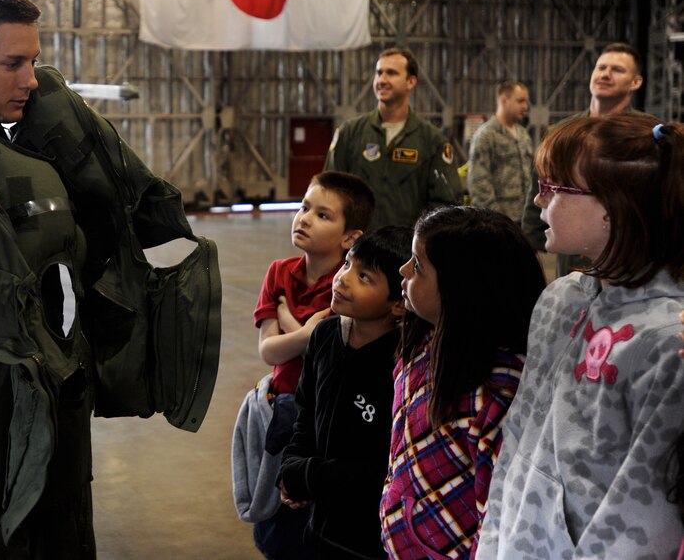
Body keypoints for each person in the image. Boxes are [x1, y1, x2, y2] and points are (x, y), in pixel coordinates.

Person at [0, 0, 219, 559]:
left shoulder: (33, 157)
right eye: (13, 63)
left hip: (55, 395)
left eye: (34, 61)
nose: (31, 79)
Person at [476, 113, 684, 559]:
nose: (538, 199)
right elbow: (518, 444)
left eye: (554, 189)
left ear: (615, 207)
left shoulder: (667, 342)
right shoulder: (560, 299)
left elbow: (643, 514)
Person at [379, 205, 545, 559]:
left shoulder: (497, 397)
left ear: (462, 288)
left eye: (418, 266)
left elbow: (497, 517)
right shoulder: (423, 344)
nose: (403, 270)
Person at [241, 171, 374, 559]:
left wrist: (289, 325)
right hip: (281, 408)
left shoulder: (348, 284)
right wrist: (305, 332)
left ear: (351, 237)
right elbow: (268, 352)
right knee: (275, 521)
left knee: (315, 518)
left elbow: (330, 353)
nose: (303, 218)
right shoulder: (280, 272)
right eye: (303, 207)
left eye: (323, 215)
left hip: (325, 416)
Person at [278, 225, 414, 559]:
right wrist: (291, 468)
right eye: (348, 264)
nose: (344, 278)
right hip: (320, 528)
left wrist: (308, 475)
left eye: (365, 277)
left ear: (398, 303)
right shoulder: (325, 335)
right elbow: (305, 414)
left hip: (370, 539)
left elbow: (380, 467)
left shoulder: (402, 362)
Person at [521, 42, 645, 277]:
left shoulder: (644, 134)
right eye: (601, 68)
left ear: (635, 82)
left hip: (627, 262)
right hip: (571, 264)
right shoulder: (563, 133)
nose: (605, 74)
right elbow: (538, 193)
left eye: (617, 70)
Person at [324, 47, 462, 231]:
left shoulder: (433, 141)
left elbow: (446, 204)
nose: (382, 80)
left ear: (411, 82)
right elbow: (330, 192)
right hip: (358, 249)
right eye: (379, 73)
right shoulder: (350, 133)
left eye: (391, 73)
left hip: (407, 252)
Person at [467, 81, 533, 223]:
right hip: (501, 221)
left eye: (526, 102)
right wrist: (496, 220)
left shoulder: (523, 135)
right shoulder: (486, 136)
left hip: (525, 220)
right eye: (520, 101)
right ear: (504, 101)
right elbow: (478, 184)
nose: (525, 107)